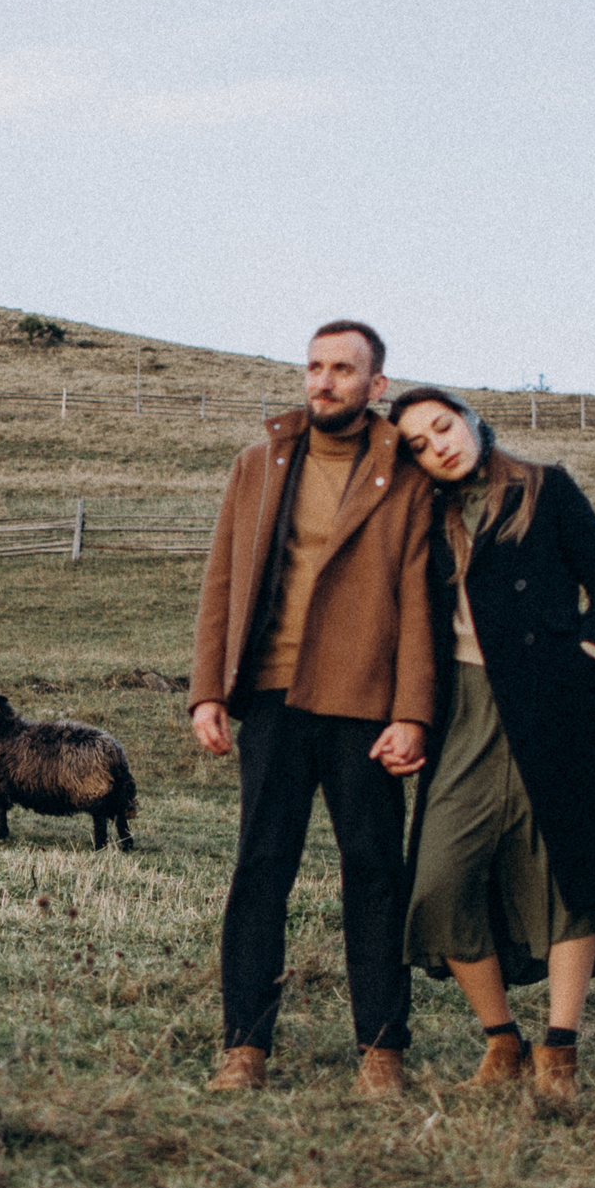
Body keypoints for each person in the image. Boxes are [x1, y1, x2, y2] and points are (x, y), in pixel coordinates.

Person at [387, 386, 595, 1102]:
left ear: (470, 420)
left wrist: (589, 652)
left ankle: (560, 1052)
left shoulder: (545, 488)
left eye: (442, 427)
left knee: (567, 879)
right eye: (419, 444)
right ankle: (502, 1039)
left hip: (556, 704)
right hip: (464, 713)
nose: (438, 446)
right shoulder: (424, 515)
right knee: (437, 884)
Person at [189, 321, 436, 1097]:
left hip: (365, 703)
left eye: (342, 369)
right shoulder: (258, 465)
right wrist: (207, 690)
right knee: (261, 871)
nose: (323, 381)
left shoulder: (408, 473)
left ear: (377, 385)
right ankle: (245, 1049)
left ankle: (383, 1050)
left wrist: (414, 713)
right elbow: (222, 581)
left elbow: (424, 602)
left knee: (375, 874)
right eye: (315, 367)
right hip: (271, 696)